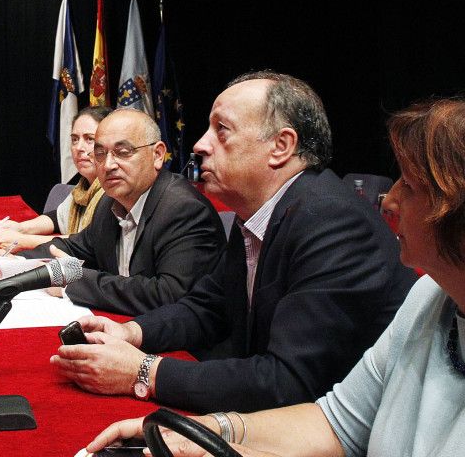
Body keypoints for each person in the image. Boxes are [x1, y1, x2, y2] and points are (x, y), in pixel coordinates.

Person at [84, 92, 465, 457]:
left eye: (410, 185)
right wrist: (195, 437)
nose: (387, 202)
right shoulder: (433, 297)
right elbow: (335, 424)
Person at [52, 72, 415, 413]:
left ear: (281, 146)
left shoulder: (329, 220)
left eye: (221, 130)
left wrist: (143, 372)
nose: (200, 145)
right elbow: (208, 306)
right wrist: (131, 331)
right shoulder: (264, 213)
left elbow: (288, 382)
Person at [0, 108, 226, 316]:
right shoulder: (109, 204)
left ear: (158, 154)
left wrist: (72, 282)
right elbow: (75, 246)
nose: (108, 165)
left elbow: (168, 295)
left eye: (123, 152)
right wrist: (16, 261)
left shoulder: (183, 209)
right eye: (100, 153)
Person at [0, 105, 111, 251]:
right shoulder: (82, 187)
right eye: (75, 139)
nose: (79, 147)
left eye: (89, 139)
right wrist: (19, 228)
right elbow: (58, 217)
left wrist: (22, 241)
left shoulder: (112, 192)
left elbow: (86, 242)